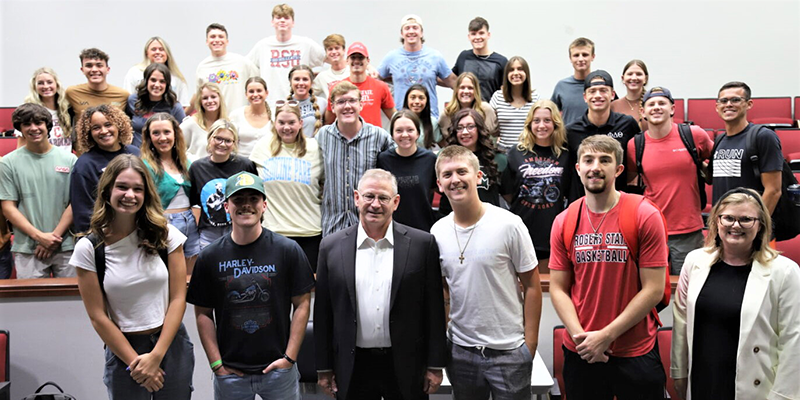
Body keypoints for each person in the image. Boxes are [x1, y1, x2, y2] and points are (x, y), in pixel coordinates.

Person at [549, 135, 668, 400]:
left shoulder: (644, 214)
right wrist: (583, 339)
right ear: (578, 169)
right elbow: (558, 288)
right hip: (582, 350)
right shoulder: (564, 220)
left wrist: (605, 336)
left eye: (605, 160)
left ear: (618, 170)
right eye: (588, 160)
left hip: (634, 350)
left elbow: (653, 290)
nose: (595, 167)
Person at [314, 168, 446, 400]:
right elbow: (324, 313)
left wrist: (435, 364)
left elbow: (434, 309)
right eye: (369, 196)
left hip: (406, 363)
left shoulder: (422, 244)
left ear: (395, 202)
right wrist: (324, 368)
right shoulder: (330, 247)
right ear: (357, 198)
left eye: (383, 198)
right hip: (353, 365)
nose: (375, 204)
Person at [70, 154, 193, 399]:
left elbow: (178, 298)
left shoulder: (166, 235)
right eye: (122, 187)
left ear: (146, 194)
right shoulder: (89, 248)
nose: (130, 195)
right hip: (124, 350)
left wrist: (157, 355)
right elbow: (98, 317)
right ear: (107, 191)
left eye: (138, 189)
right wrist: (136, 363)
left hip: (170, 344)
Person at [187, 171, 314, 400]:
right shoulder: (209, 257)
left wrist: (290, 358)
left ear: (264, 205)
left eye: (253, 199)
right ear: (226, 206)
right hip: (230, 374)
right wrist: (217, 364)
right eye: (238, 199)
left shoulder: (288, 250)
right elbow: (203, 313)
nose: (246, 205)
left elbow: (302, 304)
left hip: (279, 372)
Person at [431, 145, 542, 400]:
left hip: (510, 350)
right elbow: (444, 288)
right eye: (447, 175)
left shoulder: (509, 224)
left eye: (462, 172)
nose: (455, 179)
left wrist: (530, 345)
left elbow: (533, 286)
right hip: (460, 351)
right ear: (439, 184)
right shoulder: (437, 232)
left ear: (479, 177)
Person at [672, 188, 800, 399]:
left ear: (760, 225)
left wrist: (783, 395)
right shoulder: (695, 261)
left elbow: (794, 339)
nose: (736, 225)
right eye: (728, 218)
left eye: (746, 219)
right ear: (716, 222)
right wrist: (679, 373)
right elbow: (682, 321)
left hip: (757, 386)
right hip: (704, 380)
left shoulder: (785, 272)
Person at [626, 87, 713, 274]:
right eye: (651, 104)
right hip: (651, 231)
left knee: (689, 289)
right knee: (652, 292)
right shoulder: (635, 145)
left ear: (672, 108)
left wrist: (703, 169)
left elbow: (716, 165)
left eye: (662, 103)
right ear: (643, 112)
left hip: (688, 232)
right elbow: (631, 183)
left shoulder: (693, 135)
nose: (656, 108)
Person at [0, 103, 77, 278]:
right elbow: (8, 207)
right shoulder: (8, 163)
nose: (33, 128)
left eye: (38, 123)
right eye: (27, 124)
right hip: (28, 248)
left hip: (65, 245)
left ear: (47, 126)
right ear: (20, 128)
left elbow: (74, 204)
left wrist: (52, 238)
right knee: (28, 304)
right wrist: (40, 237)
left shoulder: (70, 159)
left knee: (70, 302)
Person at [249, 104, 324, 270]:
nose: (286, 127)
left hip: (309, 232)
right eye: (281, 122)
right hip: (273, 232)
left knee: (307, 290)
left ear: (301, 123)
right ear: (274, 123)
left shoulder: (315, 148)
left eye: (291, 122)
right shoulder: (262, 147)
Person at [316, 81, 394, 237]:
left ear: (361, 105)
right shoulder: (322, 136)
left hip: (371, 227)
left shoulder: (380, 136)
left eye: (352, 101)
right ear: (332, 106)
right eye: (341, 102)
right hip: (332, 226)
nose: (347, 106)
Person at [502, 99, 570, 274]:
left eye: (547, 120)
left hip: (550, 232)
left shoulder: (565, 154)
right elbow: (508, 193)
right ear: (529, 123)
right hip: (522, 230)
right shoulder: (516, 152)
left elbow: (568, 192)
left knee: (547, 290)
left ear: (555, 123)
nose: (542, 125)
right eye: (536, 120)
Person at [565, 70, 639, 201]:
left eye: (603, 90)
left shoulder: (628, 125)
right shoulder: (570, 131)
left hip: (618, 203)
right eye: (592, 91)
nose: (598, 95)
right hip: (582, 203)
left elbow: (636, 164)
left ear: (612, 95)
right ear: (585, 97)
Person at [710, 81, 782, 214]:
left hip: (749, 228)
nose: (728, 105)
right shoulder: (719, 140)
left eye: (736, 100)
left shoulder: (763, 136)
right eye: (723, 101)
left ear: (749, 104)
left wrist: (755, 226)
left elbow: (773, 190)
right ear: (717, 106)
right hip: (723, 225)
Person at [140, 113, 199, 274]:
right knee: (168, 277)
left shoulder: (188, 162)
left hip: (190, 223)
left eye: (167, 132)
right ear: (149, 137)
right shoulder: (145, 166)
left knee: (190, 278)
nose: (162, 138)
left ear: (175, 134)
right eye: (156, 133)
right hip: (164, 224)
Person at [71, 105, 140, 233]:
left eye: (108, 124)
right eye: (96, 128)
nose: (103, 131)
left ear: (118, 126)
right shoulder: (85, 165)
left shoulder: (135, 154)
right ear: (89, 133)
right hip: (105, 236)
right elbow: (83, 212)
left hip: (138, 231)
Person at [188, 119, 256, 249]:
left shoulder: (245, 165)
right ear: (209, 139)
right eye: (218, 138)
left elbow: (255, 198)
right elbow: (194, 202)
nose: (222, 144)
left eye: (228, 140)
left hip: (239, 228)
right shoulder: (197, 168)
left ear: (234, 143)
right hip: (208, 232)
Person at [378, 14, 456, 118]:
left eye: (415, 28)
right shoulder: (391, 57)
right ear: (402, 33)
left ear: (421, 33)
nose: (411, 31)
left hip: (429, 120)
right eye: (407, 28)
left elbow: (454, 83)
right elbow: (375, 80)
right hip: (402, 120)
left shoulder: (435, 56)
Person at [247, 3, 325, 105]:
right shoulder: (263, 45)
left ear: (293, 22)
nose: (282, 20)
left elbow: (330, 59)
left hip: (298, 103)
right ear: (272, 22)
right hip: (270, 102)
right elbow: (246, 67)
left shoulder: (305, 44)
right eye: (278, 17)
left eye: (286, 18)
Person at [377, 110, 438, 232]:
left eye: (410, 130)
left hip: (424, 228)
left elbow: (439, 190)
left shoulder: (430, 159)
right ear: (392, 135)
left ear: (418, 133)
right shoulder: (383, 159)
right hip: (391, 230)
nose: (404, 135)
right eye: (399, 130)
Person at [439, 109, 506, 215]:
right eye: (460, 128)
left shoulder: (497, 158)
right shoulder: (444, 158)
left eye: (470, 127)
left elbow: (508, 195)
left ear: (479, 129)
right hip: (452, 220)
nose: (465, 132)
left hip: (488, 220)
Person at [323, 42, 396, 127]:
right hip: (346, 138)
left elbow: (394, 117)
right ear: (347, 61)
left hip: (373, 138)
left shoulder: (381, 86)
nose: (357, 61)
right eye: (353, 58)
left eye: (360, 58)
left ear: (368, 61)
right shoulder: (337, 88)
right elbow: (327, 121)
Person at [195, 23, 259, 111]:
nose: (217, 40)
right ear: (207, 41)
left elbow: (258, 87)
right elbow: (200, 99)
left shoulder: (243, 63)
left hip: (240, 119)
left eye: (221, 37)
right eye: (213, 37)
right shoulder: (202, 67)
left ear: (227, 41)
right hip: (216, 122)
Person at [126, 63, 186, 148]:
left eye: (162, 81)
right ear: (146, 81)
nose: (157, 85)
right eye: (153, 80)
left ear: (167, 84)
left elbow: (182, 136)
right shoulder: (133, 101)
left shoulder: (175, 107)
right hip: (137, 156)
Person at [489, 56, 540, 151]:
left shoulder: (535, 98)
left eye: (520, 69)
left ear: (526, 73)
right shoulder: (498, 97)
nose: (516, 73)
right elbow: (489, 126)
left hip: (528, 150)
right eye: (511, 70)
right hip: (503, 151)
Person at [451, 17, 507, 103]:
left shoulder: (501, 61)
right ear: (469, 37)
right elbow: (451, 79)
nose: (477, 37)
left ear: (488, 35)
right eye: (473, 34)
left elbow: (507, 90)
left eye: (481, 33)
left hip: (490, 112)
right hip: (466, 111)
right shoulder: (464, 57)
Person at [122, 36, 190, 107]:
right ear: (147, 53)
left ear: (167, 53)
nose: (157, 52)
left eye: (161, 49)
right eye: (153, 49)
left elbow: (183, 105)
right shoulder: (135, 73)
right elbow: (128, 99)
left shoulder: (176, 77)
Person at [16, 67, 72, 152]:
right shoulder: (27, 112)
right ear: (35, 87)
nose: (46, 86)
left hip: (66, 162)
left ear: (57, 84)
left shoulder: (67, 110)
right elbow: (20, 149)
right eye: (40, 83)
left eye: (49, 82)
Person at [65, 48, 129, 117]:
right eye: (89, 65)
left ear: (107, 69)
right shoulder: (72, 93)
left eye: (99, 65)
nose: (94, 69)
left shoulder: (123, 95)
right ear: (82, 70)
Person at [439, 72, 497, 139]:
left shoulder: (486, 110)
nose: (466, 91)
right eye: (462, 87)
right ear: (456, 90)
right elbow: (446, 140)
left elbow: (492, 136)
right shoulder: (447, 113)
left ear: (476, 91)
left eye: (470, 88)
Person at [551, 37, 595, 125]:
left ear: (593, 57)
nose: (581, 59)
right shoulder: (562, 86)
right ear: (570, 58)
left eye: (585, 55)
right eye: (576, 55)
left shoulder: (601, 85)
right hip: (568, 138)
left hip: (596, 138)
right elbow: (551, 115)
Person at [182, 82, 228, 161]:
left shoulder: (228, 124)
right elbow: (178, 148)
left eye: (213, 97)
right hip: (197, 170)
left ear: (220, 99)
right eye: (205, 98)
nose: (210, 101)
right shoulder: (189, 124)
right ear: (200, 102)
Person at [229, 77, 272, 158]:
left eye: (259, 91)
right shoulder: (236, 115)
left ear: (266, 93)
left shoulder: (275, 115)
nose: (255, 94)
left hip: (267, 163)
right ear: (246, 94)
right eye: (251, 91)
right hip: (241, 164)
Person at [287, 65, 325, 137]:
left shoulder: (322, 103)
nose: (301, 83)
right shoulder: (284, 105)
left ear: (311, 82)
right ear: (290, 82)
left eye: (305, 79)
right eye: (297, 79)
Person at [611, 60, 649, 131]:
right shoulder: (613, 106)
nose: (634, 78)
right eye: (630, 74)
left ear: (645, 79)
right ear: (623, 78)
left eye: (639, 74)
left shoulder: (653, 104)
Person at [404, 84, 442, 150]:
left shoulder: (432, 122)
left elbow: (442, 144)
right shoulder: (398, 119)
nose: (417, 102)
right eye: (413, 98)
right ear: (407, 100)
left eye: (421, 98)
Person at [312, 34, 348, 102]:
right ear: (326, 53)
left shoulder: (354, 71)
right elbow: (307, 94)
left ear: (344, 50)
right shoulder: (322, 76)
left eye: (337, 48)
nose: (334, 52)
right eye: (330, 49)